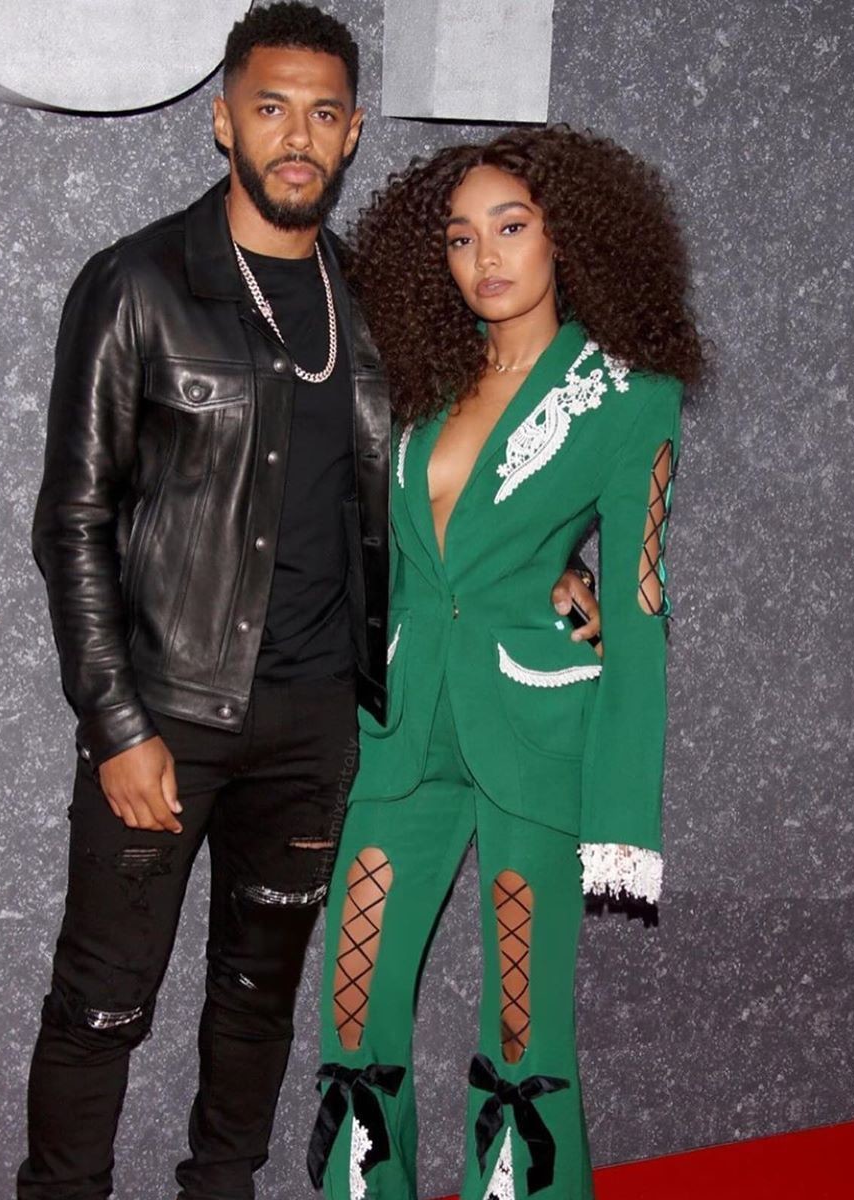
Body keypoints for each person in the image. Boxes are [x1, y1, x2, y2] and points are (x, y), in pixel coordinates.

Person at [17, 6, 599, 1198]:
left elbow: (454, 468)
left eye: (323, 113)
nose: (297, 136)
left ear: (354, 131)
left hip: (321, 723)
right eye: (271, 108)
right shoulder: (140, 284)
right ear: (223, 120)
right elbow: (72, 520)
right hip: (167, 716)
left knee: (257, 999)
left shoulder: (378, 300)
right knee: (102, 1005)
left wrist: (547, 560)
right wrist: (116, 723)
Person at [308, 128, 705, 1200]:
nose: (485, 257)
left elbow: (640, 605)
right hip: (400, 727)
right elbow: (398, 553)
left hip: (535, 732)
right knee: (353, 1012)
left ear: (564, 236)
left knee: (523, 1034)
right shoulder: (413, 375)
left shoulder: (630, 396)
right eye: (460, 237)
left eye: (511, 227)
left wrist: (624, 811)